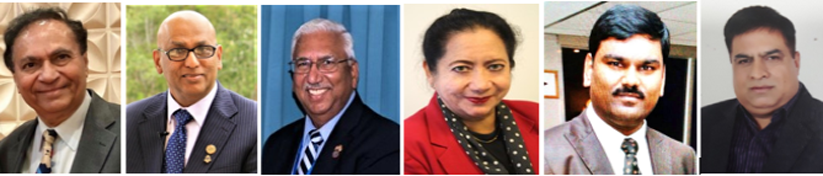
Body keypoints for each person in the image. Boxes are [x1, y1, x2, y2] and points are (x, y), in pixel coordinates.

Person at [543, 5, 695, 174]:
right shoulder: (545, 153)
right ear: (589, 70)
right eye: (615, 64)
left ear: (662, 78)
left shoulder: (682, 157)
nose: (631, 81)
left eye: (647, 67)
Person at [403, 9, 539, 174]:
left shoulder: (535, 114)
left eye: (495, 66)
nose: (480, 85)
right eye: (461, 68)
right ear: (430, 72)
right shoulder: (407, 143)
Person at [261, 18, 399, 174]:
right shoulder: (276, 145)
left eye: (327, 62)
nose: (313, 78)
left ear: (353, 72)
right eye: (303, 64)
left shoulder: (387, 143)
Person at [125, 10, 257, 173]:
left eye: (203, 49)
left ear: (219, 57)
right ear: (158, 61)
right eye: (178, 51)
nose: (192, 63)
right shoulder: (128, 120)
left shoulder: (253, 122)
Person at [701, 6, 823, 173]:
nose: (757, 73)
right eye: (744, 61)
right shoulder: (704, 121)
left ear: (796, 62)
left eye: (772, 58)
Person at [0, 7, 120, 173]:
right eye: (30, 65)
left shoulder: (131, 131)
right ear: (16, 79)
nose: (48, 76)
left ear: (85, 63)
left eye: (61, 57)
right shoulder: (6, 152)